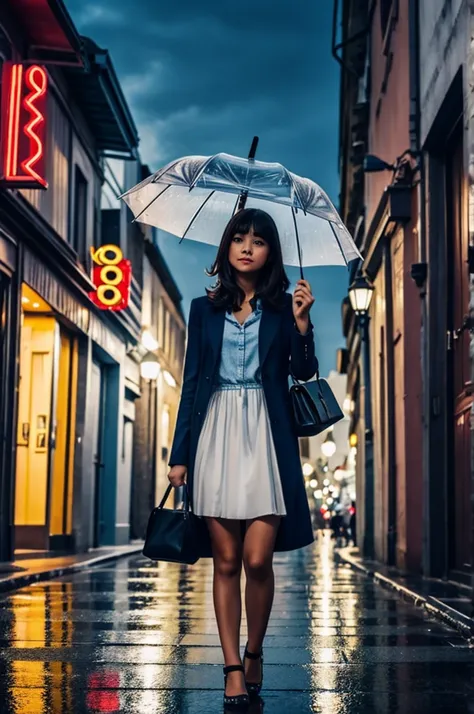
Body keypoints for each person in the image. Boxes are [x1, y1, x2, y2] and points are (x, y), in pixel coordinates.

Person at [167, 208, 318, 708]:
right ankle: (232, 666)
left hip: (267, 435)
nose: (247, 247)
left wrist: (302, 323)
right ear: (226, 248)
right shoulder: (202, 309)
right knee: (226, 560)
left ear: (271, 252)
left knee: (258, 559)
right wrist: (180, 453)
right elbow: (192, 383)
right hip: (216, 432)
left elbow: (303, 370)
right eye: (238, 238)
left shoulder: (280, 309)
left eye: (258, 240)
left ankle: (255, 650)